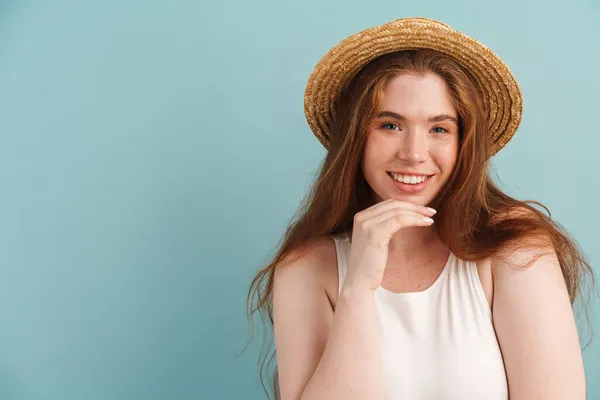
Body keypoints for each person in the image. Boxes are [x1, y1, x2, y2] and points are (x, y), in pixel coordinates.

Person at [245, 17, 595, 400]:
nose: (413, 154)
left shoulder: (514, 245)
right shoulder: (305, 269)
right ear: (356, 137)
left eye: (439, 129)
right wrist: (358, 288)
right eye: (390, 125)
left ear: (464, 144)